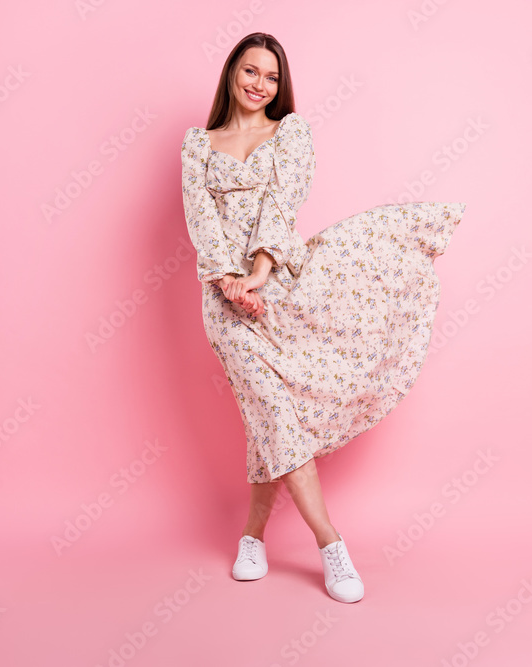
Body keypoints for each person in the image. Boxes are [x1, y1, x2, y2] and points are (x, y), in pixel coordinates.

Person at [181, 32, 465, 604]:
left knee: (270, 415)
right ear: (231, 72)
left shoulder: (290, 134)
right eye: (251, 71)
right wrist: (228, 283)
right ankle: (331, 543)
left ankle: (252, 539)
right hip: (224, 301)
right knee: (273, 410)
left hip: (277, 282)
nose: (260, 85)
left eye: (272, 77)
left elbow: (284, 204)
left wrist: (258, 274)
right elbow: (201, 222)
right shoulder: (197, 145)